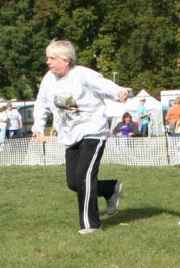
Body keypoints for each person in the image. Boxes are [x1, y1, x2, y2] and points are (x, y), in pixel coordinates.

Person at [32, 40, 129, 234]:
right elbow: (41, 104)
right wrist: (38, 127)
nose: (48, 62)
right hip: (70, 133)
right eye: (47, 58)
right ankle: (110, 188)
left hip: (93, 130)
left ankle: (90, 225)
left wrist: (119, 91)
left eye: (52, 58)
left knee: (85, 177)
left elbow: (104, 85)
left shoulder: (83, 74)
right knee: (74, 183)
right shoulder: (48, 80)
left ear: (66, 60)